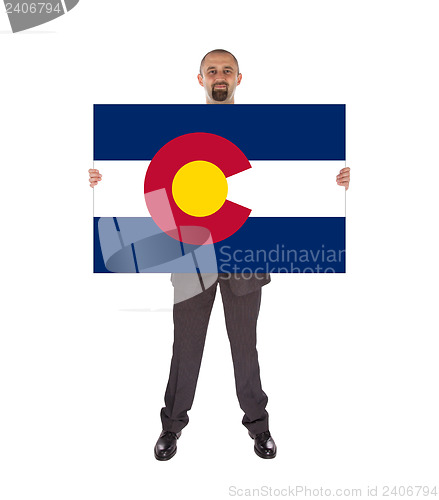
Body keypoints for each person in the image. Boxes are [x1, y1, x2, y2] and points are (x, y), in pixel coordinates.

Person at [89, 49, 351, 461]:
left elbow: (290, 177)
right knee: (186, 347)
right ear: (200, 80)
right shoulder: (176, 132)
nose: (219, 76)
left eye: (226, 70)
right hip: (191, 257)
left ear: (239, 78)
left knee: (245, 347)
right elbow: (147, 176)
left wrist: (330, 180)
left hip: (245, 260)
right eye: (212, 70)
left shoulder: (263, 132)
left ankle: (258, 426)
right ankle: (171, 426)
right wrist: (105, 178)